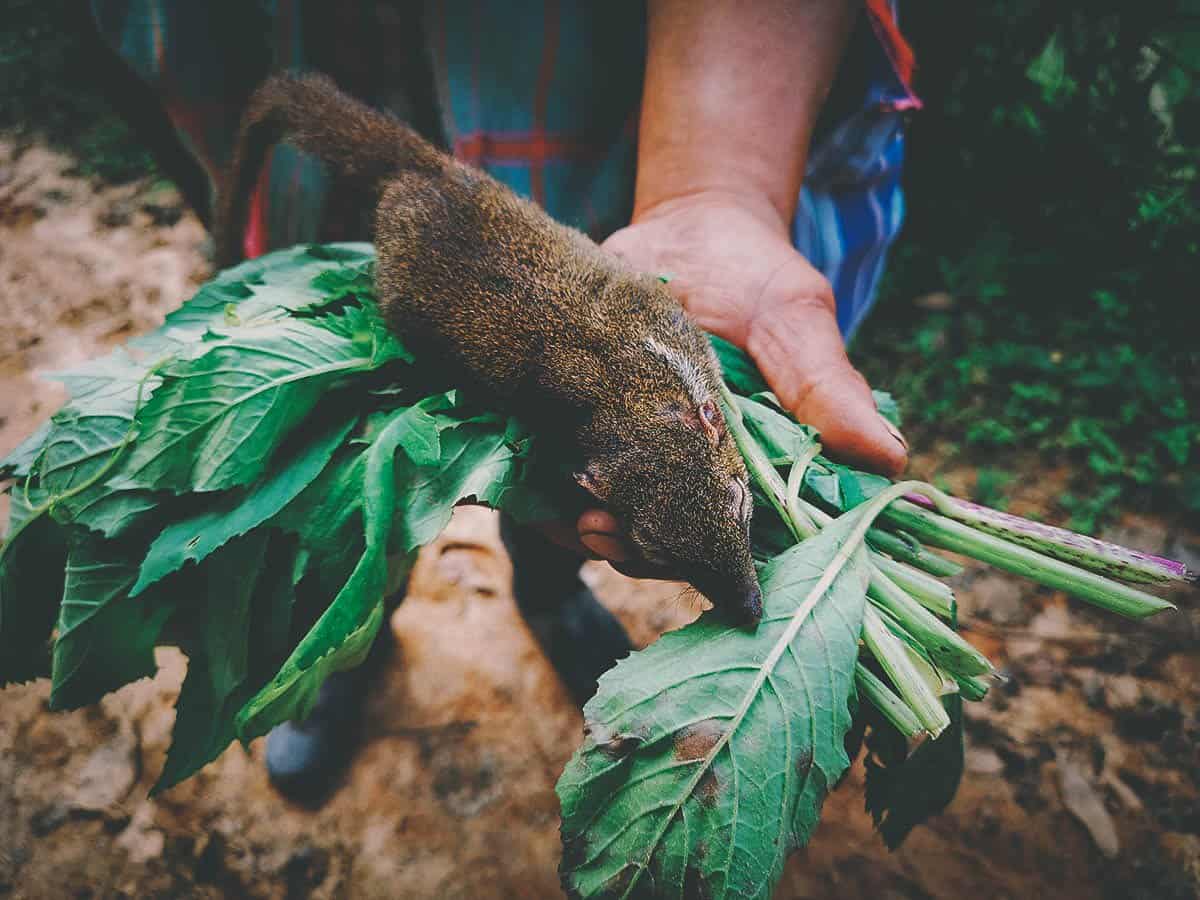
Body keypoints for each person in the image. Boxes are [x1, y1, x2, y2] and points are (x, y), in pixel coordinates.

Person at [89, 0, 915, 805]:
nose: (738, 597)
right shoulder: (600, 427)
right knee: (360, 478)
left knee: (544, 520)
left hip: (583, 152)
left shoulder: (665, 372)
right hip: (393, 208)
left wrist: (714, 194)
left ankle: (549, 590)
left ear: (706, 417)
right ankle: (348, 639)